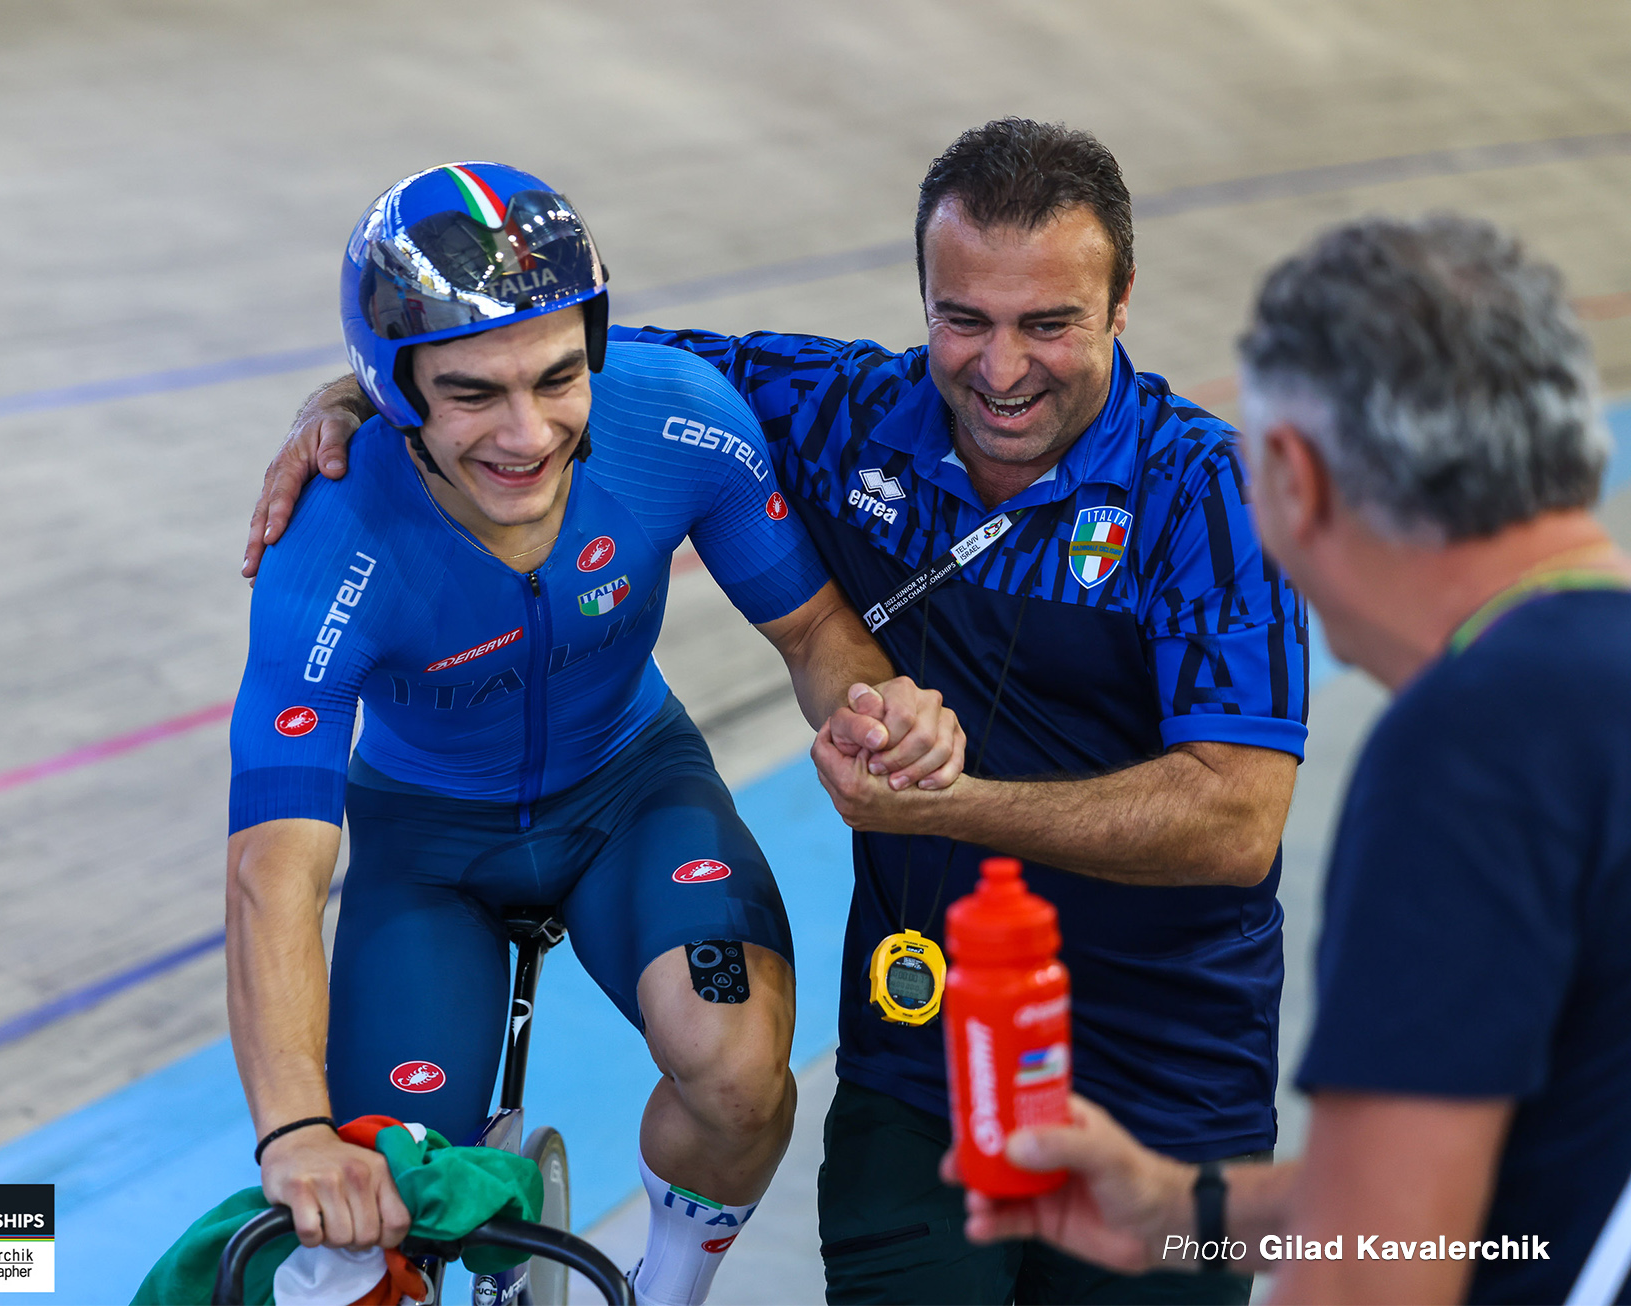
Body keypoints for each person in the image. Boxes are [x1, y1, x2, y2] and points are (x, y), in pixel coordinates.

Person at [250, 120, 1308, 1306]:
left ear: (1121, 304)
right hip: (929, 1060)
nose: (1001, 368)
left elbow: (1236, 819)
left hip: (1167, 1079)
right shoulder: (839, 412)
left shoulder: (1211, 492)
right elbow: (541, 360)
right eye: (963, 319)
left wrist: (957, 806)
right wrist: (360, 392)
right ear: (922, 299)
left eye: (1048, 323)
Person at [228, 160, 965, 1306]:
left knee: (736, 1073)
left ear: (595, 348)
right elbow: (272, 877)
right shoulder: (327, 547)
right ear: (391, 388)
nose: (527, 433)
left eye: (557, 378)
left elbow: (816, 632)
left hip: (632, 788)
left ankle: (664, 1288)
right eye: (471, 393)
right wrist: (293, 1136)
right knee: (374, 1211)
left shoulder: (676, 419)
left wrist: (877, 709)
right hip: (429, 844)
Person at [950, 214, 1631, 1306]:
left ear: (1293, 479)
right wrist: (1186, 1218)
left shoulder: (1475, 748)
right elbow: (1500, 1180)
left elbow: (1382, 1268)